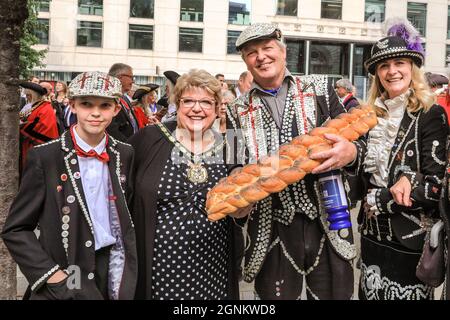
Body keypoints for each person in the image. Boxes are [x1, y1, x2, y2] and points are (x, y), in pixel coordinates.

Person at [226, 23, 357, 300]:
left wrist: (351, 152)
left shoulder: (321, 89)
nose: (261, 57)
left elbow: (357, 138)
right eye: (252, 53)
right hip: (270, 226)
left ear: (283, 52)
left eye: (267, 48)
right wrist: (238, 184)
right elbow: (233, 165)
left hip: (328, 221)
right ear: (246, 62)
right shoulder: (235, 110)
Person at [2, 71, 138, 300]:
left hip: (111, 267)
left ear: (116, 109)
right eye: (86, 104)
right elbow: (16, 229)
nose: (95, 113)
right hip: (66, 268)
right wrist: (52, 276)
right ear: (73, 105)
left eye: (105, 106)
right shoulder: (46, 156)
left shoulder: (125, 153)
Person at [128, 69, 244, 300]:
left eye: (206, 102)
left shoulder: (232, 143)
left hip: (214, 267)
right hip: (157, 269)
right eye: (188, 100)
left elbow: (242, 201)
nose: (197, 108)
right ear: (177, 104)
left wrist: (243, 209)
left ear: (217, 107)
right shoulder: (150, 138)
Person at [353, 21, 448, 300]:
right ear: (376, 75)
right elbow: (362, 175)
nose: (392, 71)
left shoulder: (431, 114)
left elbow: (436, 185)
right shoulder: (370, 116)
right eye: (384, 66)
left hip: (410, 241)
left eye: (399, 63)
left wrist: (384, 198)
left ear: (411, 68)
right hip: (371, 236)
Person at [18, 81, 59, 175]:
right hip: (27, 145)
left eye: (29, 95)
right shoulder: (34, 106)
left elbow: (45, 129)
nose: (27, 97)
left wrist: (23, 126)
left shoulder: (46, 108)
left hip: (37, 148)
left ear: (34, 96)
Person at [107, 63, 140, 141]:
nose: (132, 81)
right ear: (120, 77)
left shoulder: (125, 98)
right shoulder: (108, 98)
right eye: (131, 77)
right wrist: (127, 146)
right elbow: (110, 129)